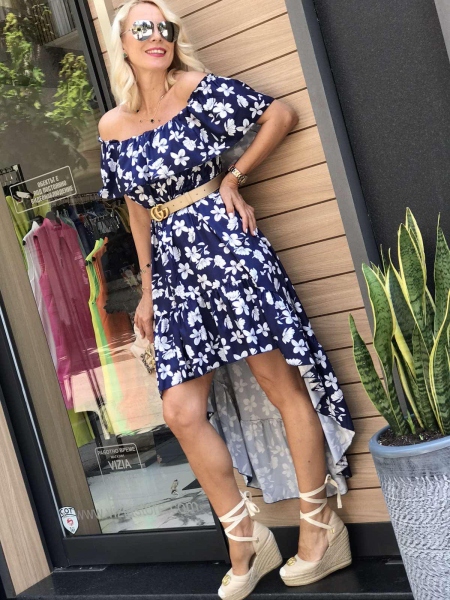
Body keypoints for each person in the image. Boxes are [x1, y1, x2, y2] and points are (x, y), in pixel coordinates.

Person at [97, 1, 355, 598]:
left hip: (224, 244)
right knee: (180, 412)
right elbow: (137, 208)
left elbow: (280, 114)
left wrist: (234, 178)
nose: (156, 36)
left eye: (164, 27)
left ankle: (321, 526)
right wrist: (148, 288)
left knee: (278, 382)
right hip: (173, 269)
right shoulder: (113, 126)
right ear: (122, 45)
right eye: (142, 29)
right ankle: (246, 538)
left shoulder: (196, 89)